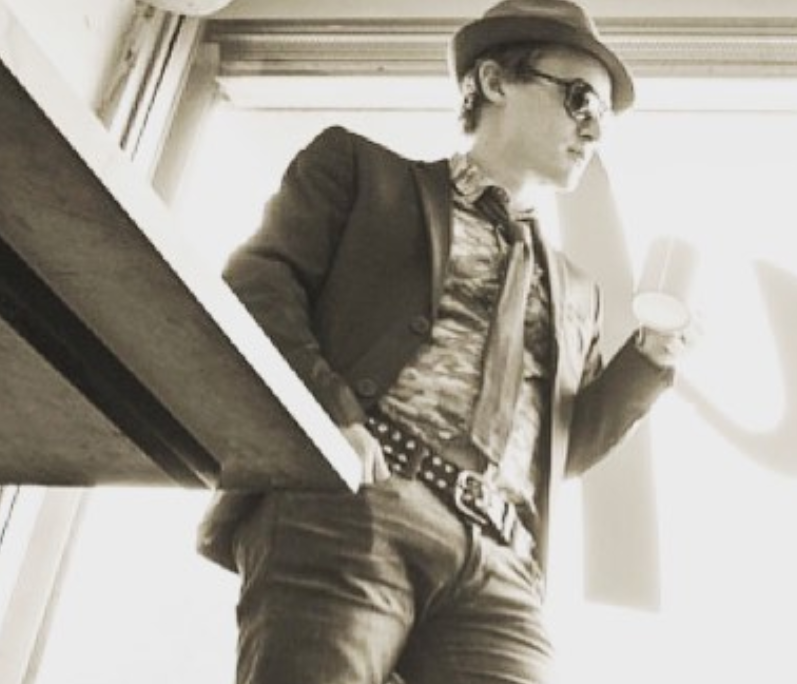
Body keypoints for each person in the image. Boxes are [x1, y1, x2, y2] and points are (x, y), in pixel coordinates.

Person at [196, 1, 693, 682]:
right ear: (493, 81)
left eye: (604, 117)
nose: (592, 128)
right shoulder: (362, 175)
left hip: (503, 560)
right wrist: (331, 415)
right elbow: (258, 283)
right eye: (580, 98)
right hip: (360, 498)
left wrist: (649, 362)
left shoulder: (579, 291)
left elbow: (560, 447)